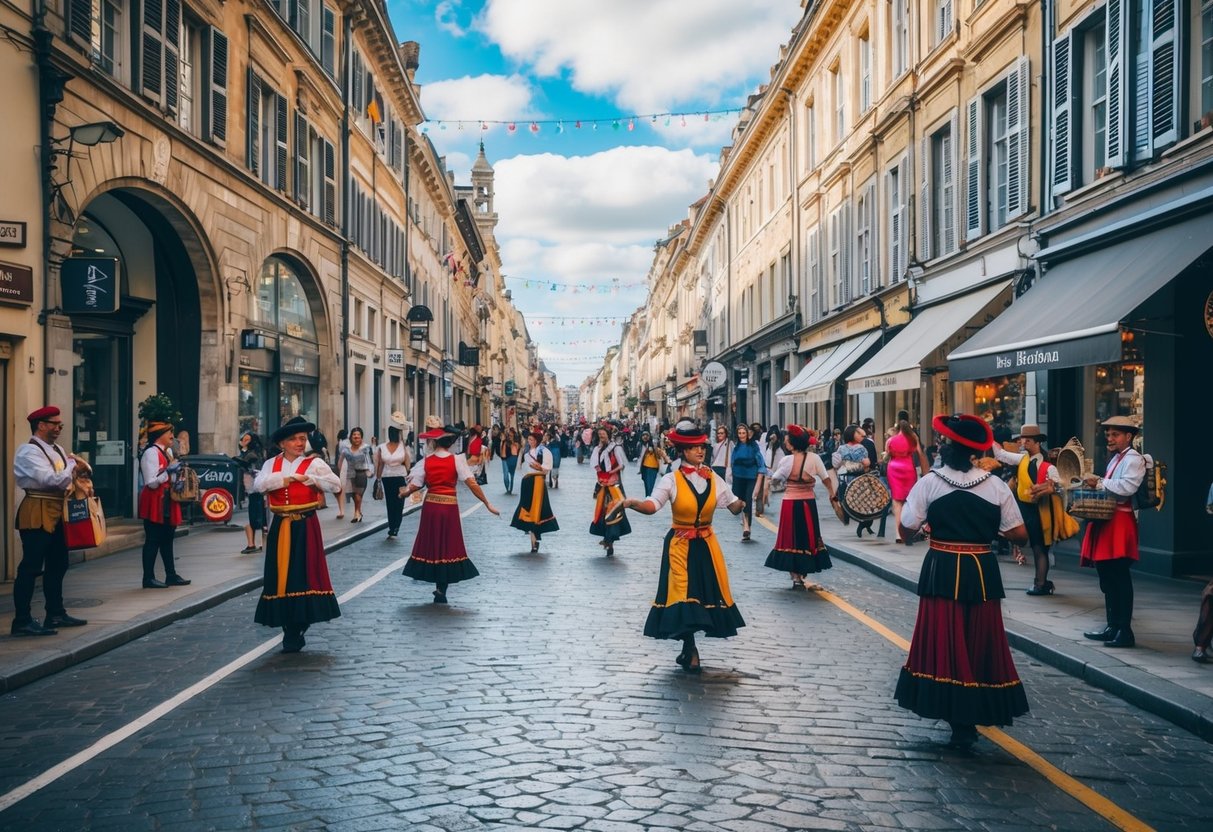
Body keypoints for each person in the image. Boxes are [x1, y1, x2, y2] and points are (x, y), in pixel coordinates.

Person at [894, 413, 1030, 749]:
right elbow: (1020, 534)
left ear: (946, 447)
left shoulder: (929, 482)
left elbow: (906, 527)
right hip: (981, 567)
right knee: (979, 639)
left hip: (943, 564)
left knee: (944, 636)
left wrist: (928, 525)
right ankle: (970, 717)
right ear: (973, 453)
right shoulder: (995, 486)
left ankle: (955, 714)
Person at [608, 420, 746, 674]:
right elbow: (652, 506)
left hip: (706, 546)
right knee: (683, 595)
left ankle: (687, 648)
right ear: (682, 451)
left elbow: (733, 504)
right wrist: (629, 502)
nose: (700, 451)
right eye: (694, 448)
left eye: (702, 447)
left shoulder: (713, 477)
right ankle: (691, 648)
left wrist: (744, 503)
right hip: (680, 545)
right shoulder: (671, 479)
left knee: (703, 595)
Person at [252, 416, 343, 652]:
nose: (299, 443)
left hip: (305, 525)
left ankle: (299, 625)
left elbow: (335, 484)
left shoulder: (313, 464)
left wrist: (311, 479)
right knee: (281, 576)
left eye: (302, 439)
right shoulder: (271, 464)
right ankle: (288, 626)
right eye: (293, 439)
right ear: (283, 443)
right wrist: (287, 479)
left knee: (304, 574)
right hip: (281, 525)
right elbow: (259, 485)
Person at [11, 406, 91, 636]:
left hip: (57, 510)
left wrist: (74, 469)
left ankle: (55, 614)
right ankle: (22, 621)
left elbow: (66, 478)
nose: (58, 428)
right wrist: (71, 466)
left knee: (59, 562)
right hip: (37, 509)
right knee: (31, 566)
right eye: (54, 424)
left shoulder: (57, 449)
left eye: (60, 424)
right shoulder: (28, 452)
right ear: (41, 425)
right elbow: (53, 480)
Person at [399, 422, 500, 603]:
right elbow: (472, 483)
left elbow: (416, 484)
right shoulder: (457, 460)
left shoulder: (427, 461)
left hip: (431, 507)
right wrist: (487, 503)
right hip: (449, 507)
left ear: (436, 443)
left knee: (432, 544)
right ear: (451, 443)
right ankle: (441, 588)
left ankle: (437, 585)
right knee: (448, 545)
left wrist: (405, 492)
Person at [1080, 416, 1147, 649]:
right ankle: (1113, 626)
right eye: (1108, 434)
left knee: (1118, 577)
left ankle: (1124, 631)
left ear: (1128, 436)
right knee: (1107, 576)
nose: (1109, 438)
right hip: (1108, 521)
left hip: (1120, 522)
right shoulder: (1115, 460)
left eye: (1115, 434)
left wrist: (1098, 482)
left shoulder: (1134, 459)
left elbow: (1127, 488)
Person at [992, 424, 1071, 595]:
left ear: (1037, 443)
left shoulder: (1049, 467)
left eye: (1028, 440)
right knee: (1015, 535)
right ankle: (1041, 582)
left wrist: (1052, 487)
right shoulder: (1022, 459)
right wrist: (988, 437)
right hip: (1023, 508)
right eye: (1022, 439)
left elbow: (1061, 487)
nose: (1024, 442)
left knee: (1039, 548)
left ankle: (1040, 583)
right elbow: (1000, 455)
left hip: (1041, 511)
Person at [765, 425, 836, 590]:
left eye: (787, 439)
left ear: (792, 443)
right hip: (808, 503)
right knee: (807, 537)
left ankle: (796, 576)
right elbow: (826, 479)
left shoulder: (786, 461)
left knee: (791, 537)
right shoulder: (814, 458)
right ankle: (802, 572)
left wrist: (769, 486)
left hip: (790, 503)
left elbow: (776, 478)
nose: (785, 441)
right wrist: (832, 494)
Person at [137, 420, 191, 589]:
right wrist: (168, 471)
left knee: (167, 539)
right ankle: (148, 578)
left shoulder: (167, 451)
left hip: (167, 499)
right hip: (155, 500)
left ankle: (171, 574)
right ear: (160, 435)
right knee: (153, 539)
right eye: (170, 433)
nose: (172, 437)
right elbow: (151, 482)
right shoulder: (151, 453)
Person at [511, 428, 559, 552]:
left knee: (536, 510)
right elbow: (522, 468)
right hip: (527, 481)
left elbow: (547, 468)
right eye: (529, 440)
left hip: (537, 481)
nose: (530, 441)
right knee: (527, 507)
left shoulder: (544, 452)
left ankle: (535, 539)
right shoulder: (527, 453)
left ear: (537, 440)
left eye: (532, 439)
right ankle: (533, 538)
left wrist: (539, 467)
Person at [885, 419, 930, 544]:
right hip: (908, 468)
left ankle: (898, 534)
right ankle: (909, 530)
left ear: (897, 429)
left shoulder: (891, 440)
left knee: (896, 500)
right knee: (909, 500)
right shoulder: (912, 438)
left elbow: (887, 454)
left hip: (894, 468)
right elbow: (920, 454)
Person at [589, 424, 631, 556]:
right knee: (602, 511)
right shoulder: (598, 449)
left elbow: (622, 464)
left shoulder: (615, 448)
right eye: (600, 434)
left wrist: (611, 472)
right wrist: (601, 474)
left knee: (612, 512)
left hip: (613, 485)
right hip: (602, 484)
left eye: (603, 434)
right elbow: (596, 465)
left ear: (608, 434)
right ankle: (607, 539)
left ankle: (609, 540)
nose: (601, 436)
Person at [730, 423, 766, 541]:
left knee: (748, 500)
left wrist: (759, 483)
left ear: (747, 434)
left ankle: (747, 526)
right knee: (741, 502)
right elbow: (732, 463)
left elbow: (761, 465)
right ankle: (744, 521)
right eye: (739, 433)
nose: (741, 435)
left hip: (751, 477)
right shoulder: (736, 447)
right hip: (737, 477)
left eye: (743, 433)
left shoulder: (754, 447)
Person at [375, 426, 413, 540]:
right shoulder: (382, 447)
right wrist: (378, 479)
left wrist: (409, 478)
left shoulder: (403, 446)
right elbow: (380, 464)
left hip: (400, 477)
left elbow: (407, 464)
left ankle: (396, 526)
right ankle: (392, 527)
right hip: (387, 477)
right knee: (390, 503)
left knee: (399, 502)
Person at [832, 425, 871, 526]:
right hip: (858, 477)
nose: (861, 435)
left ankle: (846, 516)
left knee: (843, 497)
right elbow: (866, 463)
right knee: (859, 497)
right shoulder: (861, 448)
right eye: (858, 433)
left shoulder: (841, 448)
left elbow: (836, 464)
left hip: (843, 477)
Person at [237, 430, 267, 554]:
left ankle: (261, 543)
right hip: (251, 488)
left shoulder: (254, 454)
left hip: (257, 487)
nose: (244, 442)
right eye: (243, 439)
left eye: (247, 440)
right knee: (253, 514)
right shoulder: (251, 453)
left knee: (259, 515)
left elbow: (247, 462)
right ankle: (252, 543)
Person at [338, 427, 372, 522]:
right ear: (351, 437)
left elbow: (369, 460)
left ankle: (356, 513)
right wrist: (340, 473)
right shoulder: (346, 449)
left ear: (361, 437)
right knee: (354, 495)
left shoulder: (365, 448)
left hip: (361, 474)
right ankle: (359, 512)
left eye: (358, 435)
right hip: (350, 475)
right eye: (354, 435)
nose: (356, 437)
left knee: (358, 495)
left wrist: (370, 471)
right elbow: (340, 461)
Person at [637, 431, 668, 497]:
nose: (645, 437)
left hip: (653, 467)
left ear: (649, 437)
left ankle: (649, 499)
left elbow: (660, 453)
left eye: (647, 435)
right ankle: (647, 498)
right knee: (646, 485)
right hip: (644, 467)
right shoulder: (640, 445)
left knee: (650, 485)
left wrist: (654, 448)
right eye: (643, 435)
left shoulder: (654, 444)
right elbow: (639, 456)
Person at [333, 428, 349, 518]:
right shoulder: (348, 443)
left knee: (342, 486)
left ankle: (342, 510)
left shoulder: (339, 444)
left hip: (342, 465)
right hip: (346, 465)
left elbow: (336, 458)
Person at [498, 426, 520, 494]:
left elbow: (518, 450)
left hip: (513, 458)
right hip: (505, 459)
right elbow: (501, 451)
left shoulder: (516, 443)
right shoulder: (504, 442)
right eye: (509, 435)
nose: (510, 436)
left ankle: (510, 489)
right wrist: (502, 441)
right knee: (506, 476)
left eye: (511, 435)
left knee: (512, 475)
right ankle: (507, 488)